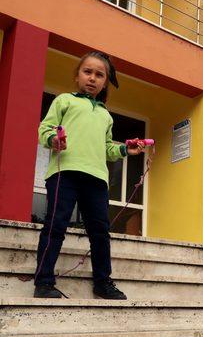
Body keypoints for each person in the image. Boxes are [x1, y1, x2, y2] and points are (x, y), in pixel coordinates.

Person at [35, 51, 147, 299]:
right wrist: (53, 139)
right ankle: (43, 282)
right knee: (55, 226)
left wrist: (124, 150)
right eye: (87, 72)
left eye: (99, 75)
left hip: (96, 179)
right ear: (77, 76)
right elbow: (45, 129)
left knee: (100, 232)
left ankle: (103, 282)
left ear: (105, 82)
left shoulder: (105, 114)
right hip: (65, 173)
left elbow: (107, 148)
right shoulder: (64, 101)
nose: (93, 78)